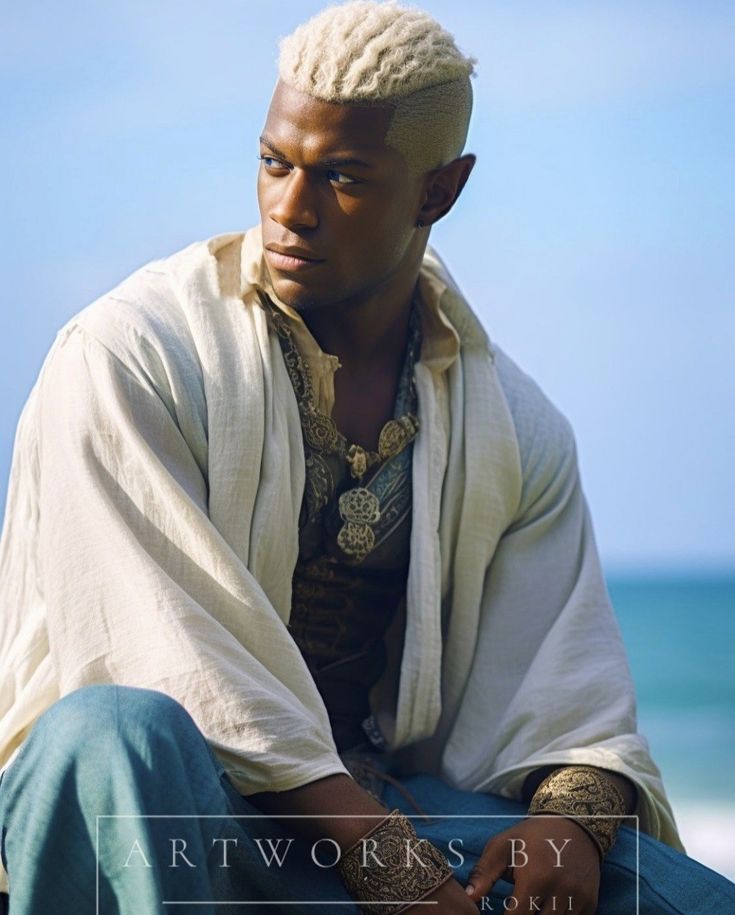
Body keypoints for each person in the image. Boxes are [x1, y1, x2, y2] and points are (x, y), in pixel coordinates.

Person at [0, 2, 733, 913]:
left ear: (439, 192)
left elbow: (562, 682)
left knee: (674, 895)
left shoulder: (512, 420)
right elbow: (153, 654)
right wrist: (371, 852)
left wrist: (569, 826)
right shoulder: (130, 355)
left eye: (341, 177)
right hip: (174, 823)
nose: (289, 208)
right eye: (275, 162)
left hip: (381, 816)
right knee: (112, 729)